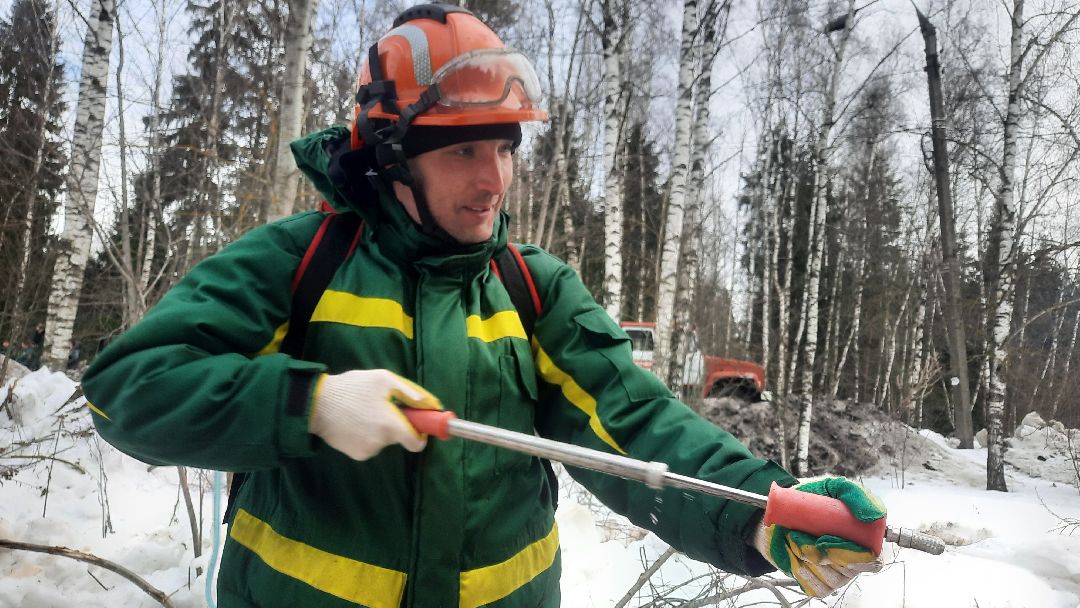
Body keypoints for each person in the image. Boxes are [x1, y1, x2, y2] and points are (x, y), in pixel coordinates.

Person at [82, 5, 885, 607]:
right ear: (391, 157)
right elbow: (127, 389)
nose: (494, 179)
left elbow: (637, 424)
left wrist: (762, 512)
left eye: (504, 148)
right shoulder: (299, 262)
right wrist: (309, 403)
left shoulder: (534, 290)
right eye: (464, 149)